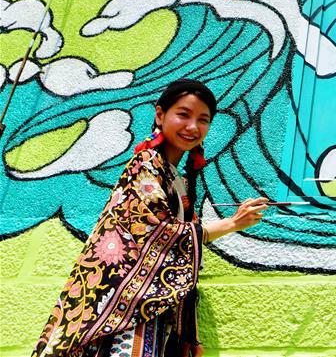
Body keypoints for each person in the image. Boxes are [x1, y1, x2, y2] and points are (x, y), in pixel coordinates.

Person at [33, 79, 269, 357]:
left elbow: (181, 251)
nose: (193, 126)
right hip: (121, 313)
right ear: (160, 115)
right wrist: (232, 223)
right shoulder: (144, 165)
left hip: (147, 311)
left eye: (203, 120)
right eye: (183, 114)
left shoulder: (176, 179)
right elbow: (159, 234)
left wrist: (189, 332)